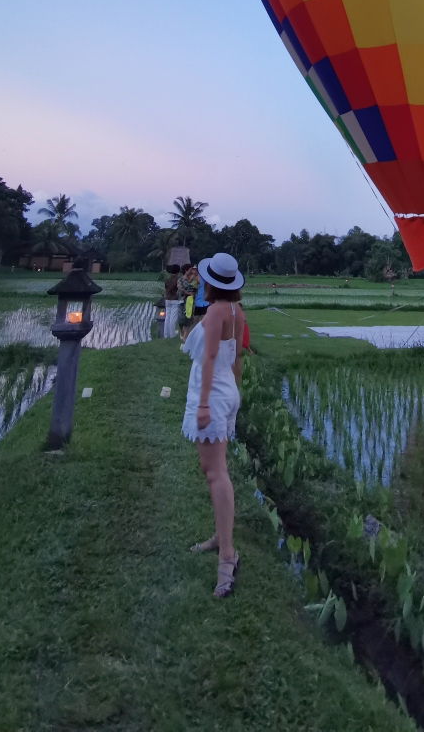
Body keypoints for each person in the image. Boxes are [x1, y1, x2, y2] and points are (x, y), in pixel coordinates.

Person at [182, 251, 246, 597]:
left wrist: (205, 404)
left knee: (215, 473)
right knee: (214, 470)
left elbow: (209, 357)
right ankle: (221, 539)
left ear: (212, 281)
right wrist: (233, 399)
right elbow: (235, 358)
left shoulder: (218, 311)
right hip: (226, 391)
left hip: (213, 394)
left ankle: (227, 555)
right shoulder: (236, 311)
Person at [163, 266, 182, 339]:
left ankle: (166, 334)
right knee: (173, 318)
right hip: (174, 299)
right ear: (178, 272)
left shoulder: (167, 279)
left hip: (167, 299)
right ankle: (172, 334)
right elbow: (180, 289)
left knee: (167, 317)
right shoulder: (178, 280)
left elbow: (166, 288)